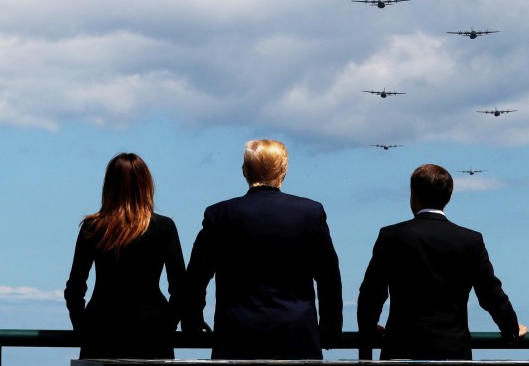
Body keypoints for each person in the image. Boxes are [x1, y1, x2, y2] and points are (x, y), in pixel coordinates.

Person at [185, 139, 343, 359]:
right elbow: (329, 278)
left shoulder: (218, 215)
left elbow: (196, 279)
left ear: (245, 171)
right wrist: (330, 329)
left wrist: (191, 324)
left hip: (235, 335)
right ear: (284, 171)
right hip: (296, 335)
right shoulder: (310, 213)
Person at [357, 163, 527, 360]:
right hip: (453, 352)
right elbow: (490, 294)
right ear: (448, 197)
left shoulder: (392, 236)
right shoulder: (470, 240)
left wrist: (367, 335)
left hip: (400, 350)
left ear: (413, 194)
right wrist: (511, 328)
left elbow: (372, 294)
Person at [64, 153, 186, 359]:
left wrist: (81, 324)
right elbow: (181, 287)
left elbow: (75, 286)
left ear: (109, 185)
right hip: (152, 331)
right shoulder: (163, 227)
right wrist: (168, 322)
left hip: (101, 327)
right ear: (146, 184)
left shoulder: (93, 227)